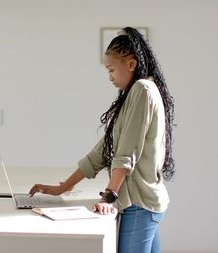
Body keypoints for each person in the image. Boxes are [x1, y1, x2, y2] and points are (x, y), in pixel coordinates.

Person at [28, 26, 175, 253]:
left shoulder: (143, 90)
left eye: (111, 70)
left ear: (131, 64)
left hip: (139, 205)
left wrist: (108, 197)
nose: (110, 78)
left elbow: (127, 153)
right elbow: (103, 152)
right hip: (144, 205)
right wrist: (63, 187)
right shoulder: (134, 94)